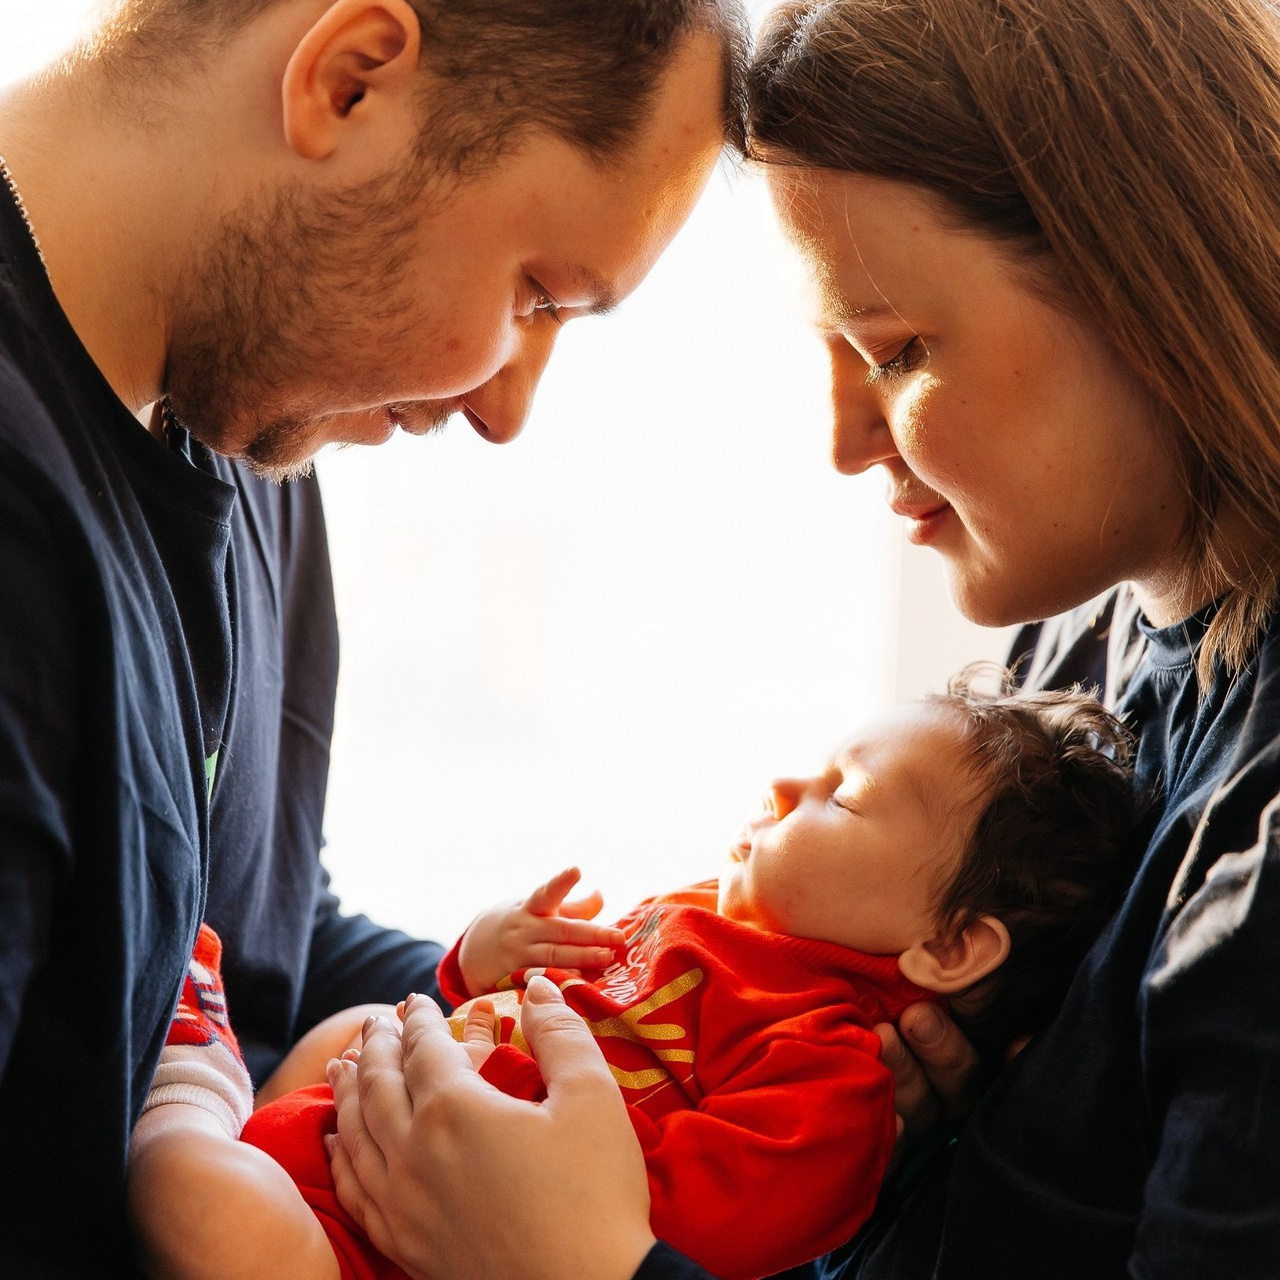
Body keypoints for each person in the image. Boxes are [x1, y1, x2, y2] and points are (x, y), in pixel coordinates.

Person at [321, 0, 1280, 1277]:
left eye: (896, 350)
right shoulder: (1073, 656)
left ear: (1141, 278)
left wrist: (584, 1262)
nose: (845, 442)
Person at [0, 0, 749, 1272]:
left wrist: (614, 1027)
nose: (507, 407)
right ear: (349, 81)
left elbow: (239, 935)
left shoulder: (241, 437)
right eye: (535, 292)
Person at [129, 672, 1139, 1280]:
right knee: (352, 1019)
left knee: (196, 1207)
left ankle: (190, 1074)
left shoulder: (831, 1077)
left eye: (842, 796)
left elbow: (678, 1220)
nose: (786, 784)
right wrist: (480, 957)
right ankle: (245, 1110)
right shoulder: (707, 913)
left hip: (384, 1247)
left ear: (951, 946)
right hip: (368, 1138)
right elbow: (532, 1005)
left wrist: (496, 1144)